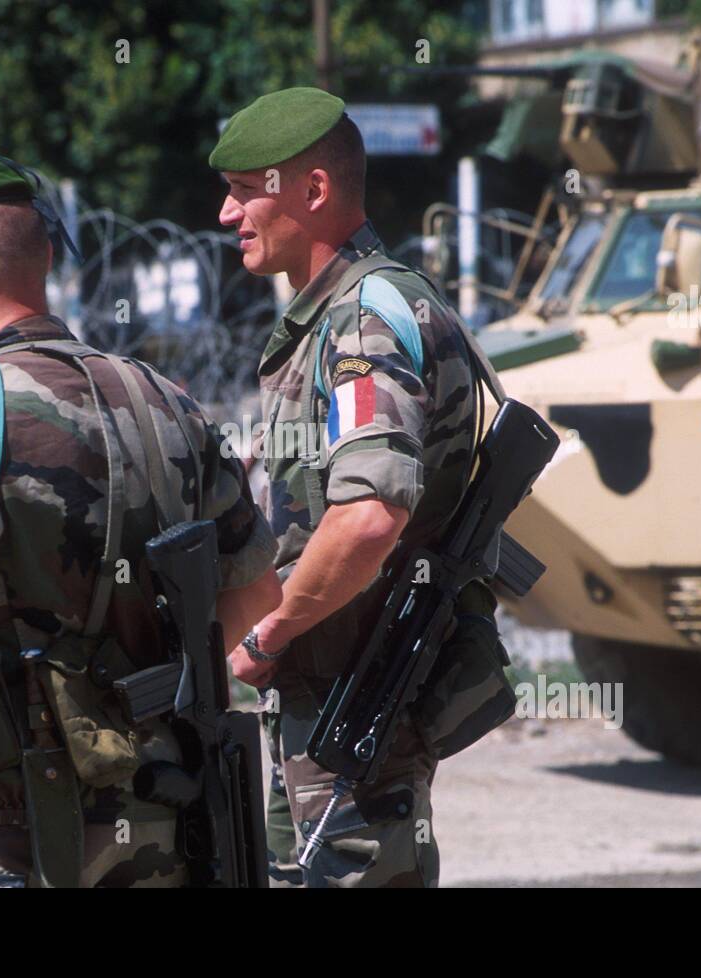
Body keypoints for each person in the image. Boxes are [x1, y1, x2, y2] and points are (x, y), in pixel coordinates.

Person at [0, 157, 280, 887]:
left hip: (12, 827)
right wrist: (130, 695)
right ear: (46, 257)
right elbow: (257, 592)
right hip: (160, 815)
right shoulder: (165, 399)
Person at [211, 87, 493, 887]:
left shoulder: (366, 317)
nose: (227, 215)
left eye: (243, 191)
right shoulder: (340, 313)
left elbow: (371, 515)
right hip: (329, 686)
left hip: (356, 687)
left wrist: (270, 634)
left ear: (313, 192)